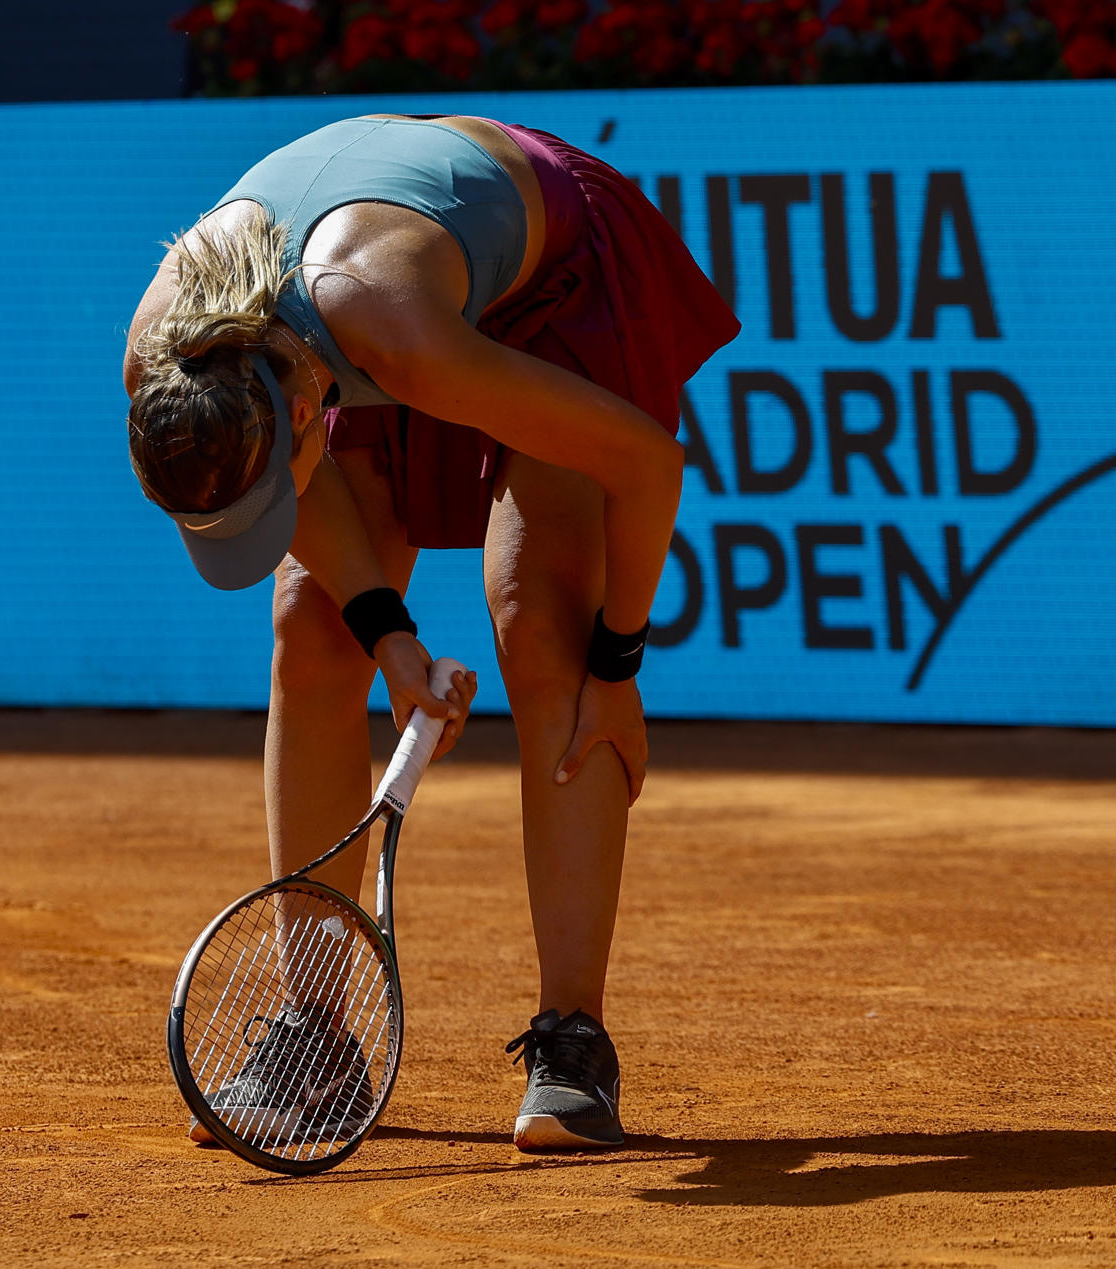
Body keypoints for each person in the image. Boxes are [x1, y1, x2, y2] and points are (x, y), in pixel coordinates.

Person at [124, 114, 738, 1151]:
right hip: (356, 296)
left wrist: (617, 662)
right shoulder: (171, 361)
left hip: (549, 262)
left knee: (541, 618)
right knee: (310, 621)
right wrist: (389, 637)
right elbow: (296, 493)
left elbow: (646, 465)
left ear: (307, 404)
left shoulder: (385, 325)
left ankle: (574, 1041)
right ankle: (311, 1031)